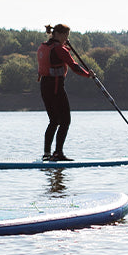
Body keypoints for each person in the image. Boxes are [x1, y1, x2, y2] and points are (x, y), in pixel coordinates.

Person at [37, 24, 94, 161]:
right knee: (65, 120)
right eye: (66, 36)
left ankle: (47, 153)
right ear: (58, 34)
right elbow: (74, 66)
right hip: (56, 87)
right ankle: (58, 153)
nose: (67, 39)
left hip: (45, 86)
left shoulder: (44, 47)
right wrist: (88, 75)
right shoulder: (59, 49)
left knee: (54, 120)